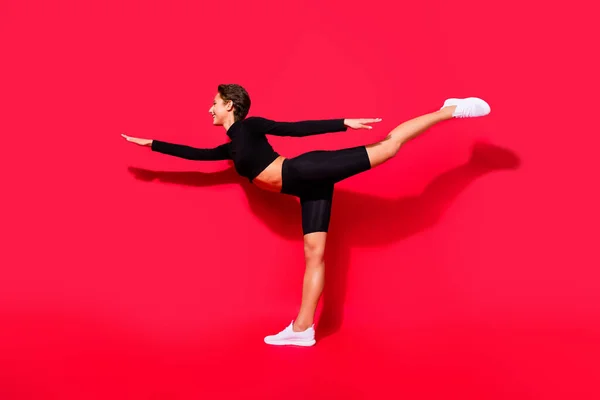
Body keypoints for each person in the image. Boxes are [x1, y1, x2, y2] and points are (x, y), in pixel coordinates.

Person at [121, 83, 491, 347]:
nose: (210, 109)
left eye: (214, 103)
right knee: (314, 255)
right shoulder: (231, 148)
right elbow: (195, 155)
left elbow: (293, 130)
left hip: (305, 170)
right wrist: (151, 146)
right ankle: (302, 329)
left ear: (230, 105)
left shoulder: (250, 126)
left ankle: (450, 108)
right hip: (305, 188)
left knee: (389, 145)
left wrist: (342, 123)